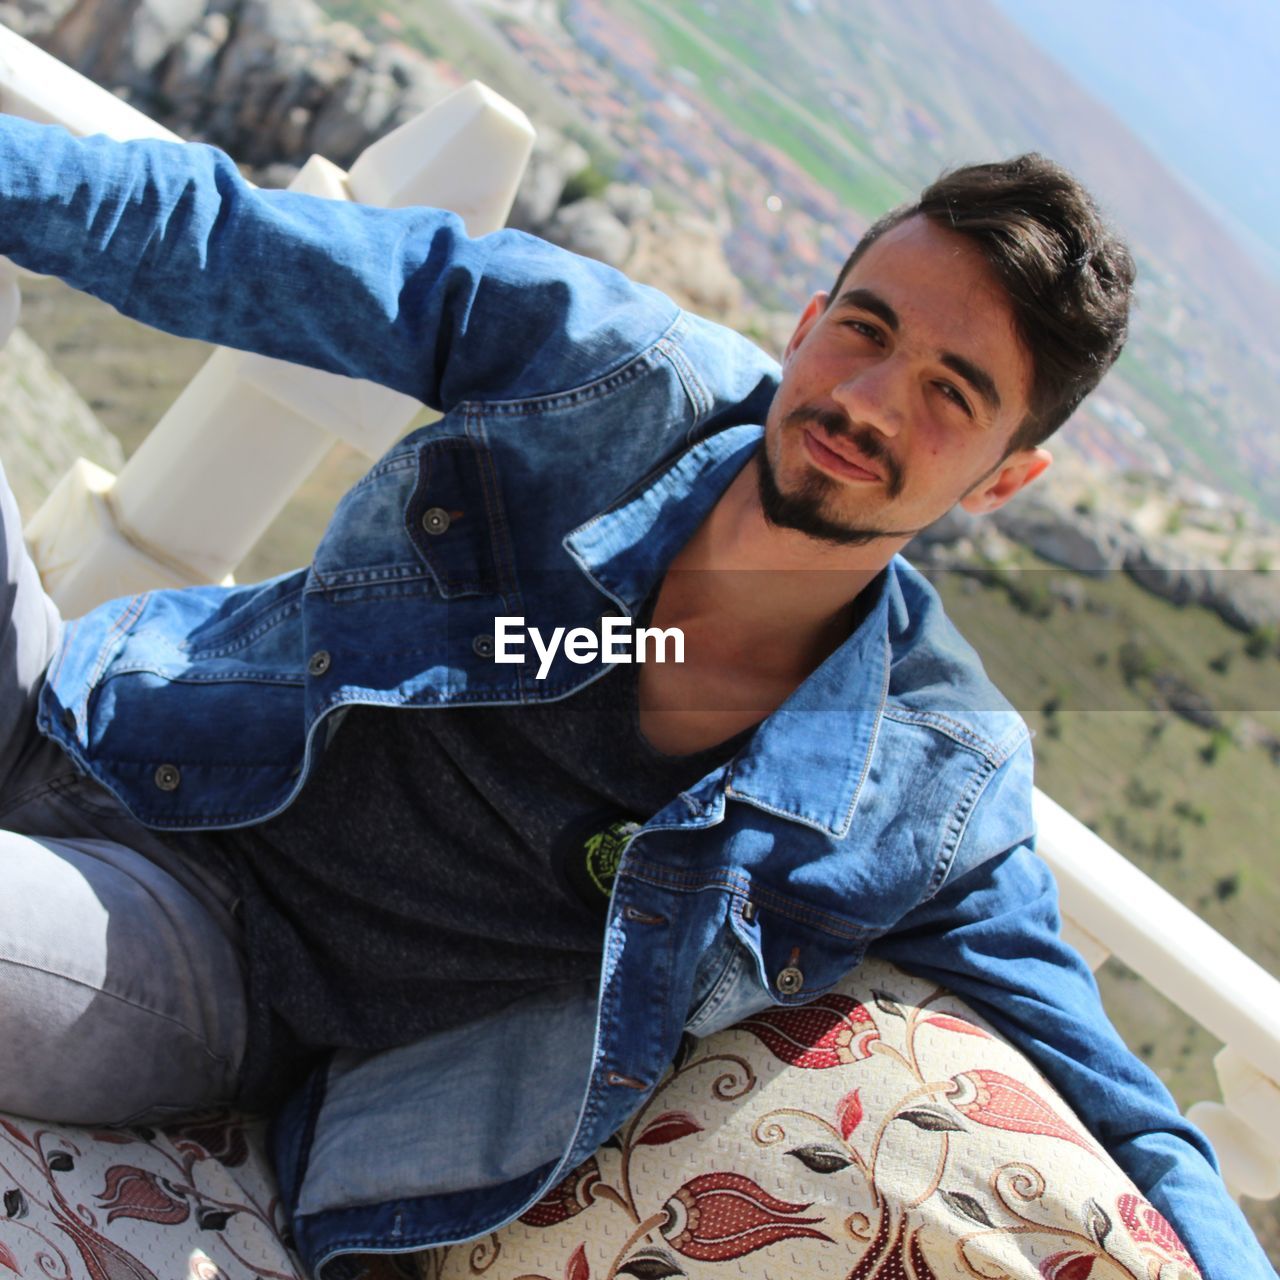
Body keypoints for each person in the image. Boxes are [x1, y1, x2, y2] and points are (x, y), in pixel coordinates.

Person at [0, 113, 1267, 1278]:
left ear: (1002, 477)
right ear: (808, 318)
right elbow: (220, 234)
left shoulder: (923, 779)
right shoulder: (611, 374)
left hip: (195, 946)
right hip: (95, 694)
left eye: (951, 393)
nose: (868, 401)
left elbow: (1120, 1105)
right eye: (867, 330)